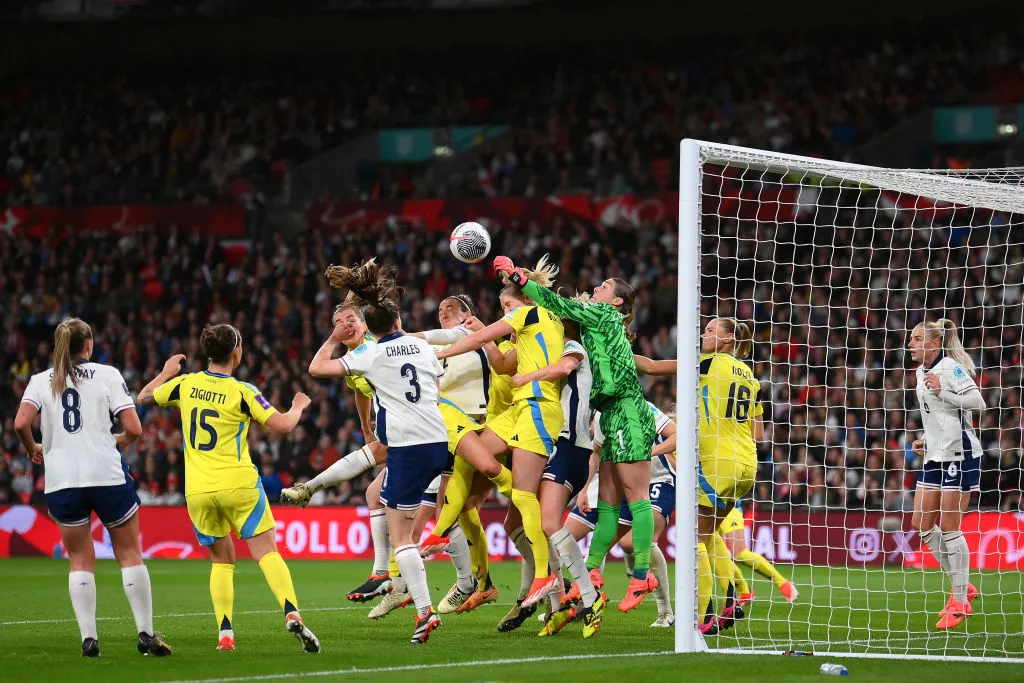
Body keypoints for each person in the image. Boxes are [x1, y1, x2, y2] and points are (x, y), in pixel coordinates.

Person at [138, 324, 320, 653]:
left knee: (222, 561)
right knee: (266, 552)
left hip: (198, 491)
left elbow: (144, 398)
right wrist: (298, 406)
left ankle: (225, 633)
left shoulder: (185, 384)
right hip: (238, 485)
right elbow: (283, 425)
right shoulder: (242, 391)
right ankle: (292, 612)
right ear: (236, 352)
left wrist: (164, 373)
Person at [492, 256, 658, 613]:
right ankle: (593, 574)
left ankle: (642, 574)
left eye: (603, 287)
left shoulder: (603, 316)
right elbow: (650, 365)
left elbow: (557, 303)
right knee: (609, 504)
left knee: (637, 497)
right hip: (609, 415)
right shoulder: (600, 333)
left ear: (616, 302)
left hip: (626, 409)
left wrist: (520, 278)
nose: (595, 289)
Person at [308, 258, 449, 644]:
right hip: (439, 443)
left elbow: (317, 368)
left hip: (406, 448)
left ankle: (423, 610)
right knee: (391, 501)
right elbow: (437, 377)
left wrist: (337, 336)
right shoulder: (420, 348)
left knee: (401, 535)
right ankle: (415, 583)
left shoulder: (367, 355)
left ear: (369, 327)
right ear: (399, 321)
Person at [14, 317, 172, 658]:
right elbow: (134, 427)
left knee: (79, 560)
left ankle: (89, 640)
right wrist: (120, 441)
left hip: (62, 480)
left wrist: (33, 449)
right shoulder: (108, 374)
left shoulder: (41, 381)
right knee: (129, 554)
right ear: (89, 344)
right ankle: (145, 634)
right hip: (106, 475)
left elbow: (21, 423)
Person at [430, 257, 566, 612]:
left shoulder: (527, 316)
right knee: (467, 452)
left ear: (526, 300)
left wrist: (440, 353)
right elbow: (504, 364)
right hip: (517, 410)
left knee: (522, 496)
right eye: (502, 306)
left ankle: (544, 575)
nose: (505, 311)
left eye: (508, 304)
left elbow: (480, 337)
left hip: (537, 405)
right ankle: (439, 533)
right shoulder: (537, 326)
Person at [511, 318, 606, 638]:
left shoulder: (574, 347)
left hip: (571, 446)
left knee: (549, 523)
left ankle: (589, 597)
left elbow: (562, 369)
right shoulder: (560, 348)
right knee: (537, 525)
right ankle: (560, 602)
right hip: (561, 446)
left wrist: (525, 377)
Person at [907, 319, 984, 630]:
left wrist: (944, 393)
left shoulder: (950, 368)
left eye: (916, 339)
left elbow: (977, 402)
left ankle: (959, 599)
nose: (910, 344)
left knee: (950, 526)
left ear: (934, 343)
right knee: (921, 524)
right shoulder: (919, 373)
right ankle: (962, 584)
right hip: (935, 454)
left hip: (960, 454)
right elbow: (937, 417)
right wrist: (926, 440)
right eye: (911, 339)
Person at [696, 317, 764, 635]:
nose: (703, 334)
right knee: (711, 534)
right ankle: (729, 602)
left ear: (727, 340)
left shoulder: (709, 364)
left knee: (695, 538)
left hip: (718, 461)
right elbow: (758, 432)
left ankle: (703, 614)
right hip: (746, 463)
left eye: (710, 331)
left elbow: (654, 367)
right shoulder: (751, 377)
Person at [717, 501, 798, 606]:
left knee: (740, 553)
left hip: (727, 507)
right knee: (716, 556)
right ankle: (745, 593)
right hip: (708, 510)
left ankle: (783, 583)